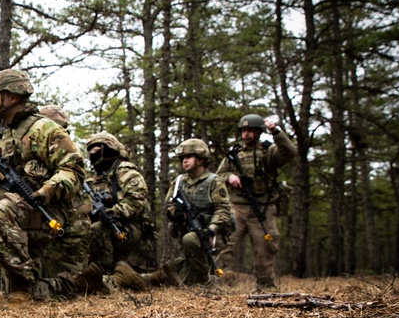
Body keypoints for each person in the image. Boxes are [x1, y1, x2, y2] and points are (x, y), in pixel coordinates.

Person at [0, 69, 99, 304]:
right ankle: (25, 287)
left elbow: (74, 169)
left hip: (47, 213)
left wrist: (47, 190)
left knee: (2, 213)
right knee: (24, 290)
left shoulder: (44, 130)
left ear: (13, 97)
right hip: (15, 221)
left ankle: (25, 286)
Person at [115, 139, 233, 290]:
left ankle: (204, 280)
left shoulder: (213, 181)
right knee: (178, 267)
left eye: (189, 157)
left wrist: (212, 229)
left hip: (211, 234)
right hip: (188, 231)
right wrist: (175, 213)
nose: (184, 161)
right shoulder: (180, 181)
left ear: (201, 159)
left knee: (192, 246)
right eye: (182, 158)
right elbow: (169, 203)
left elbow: (223, 208)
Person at [214, 114, 296, 290]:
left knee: (265, 248)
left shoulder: (269, 151)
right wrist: (230, 177)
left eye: (250, 130)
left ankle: (265, 286)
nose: (246, 134)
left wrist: (276, 132)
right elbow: (218, 176)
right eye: (244, 131)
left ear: (259, 132)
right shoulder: (233, 154)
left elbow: (290, 152)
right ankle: (221, 282)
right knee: (226, 243)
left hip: (263, 208)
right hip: (237, 207)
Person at [83, 132, 156, 273]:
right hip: (103, 224)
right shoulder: (91, 178)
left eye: (96, 150)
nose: (92, 153)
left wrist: (116, 211)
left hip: (129, 226)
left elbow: (138, 200)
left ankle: (101, 272)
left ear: (108, 149)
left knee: (97, 229)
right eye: (90, 151)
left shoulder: (125, 171)